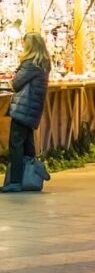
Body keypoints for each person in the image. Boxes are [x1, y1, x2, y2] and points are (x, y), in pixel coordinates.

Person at [2, 32, 50, 193]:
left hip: (23, 109)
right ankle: (30, 177)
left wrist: (9, 80)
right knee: (28, 145)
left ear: (30, 46)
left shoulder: (30, 64)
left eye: (24, 44)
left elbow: (16, 84)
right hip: (32, 109)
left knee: (16, 145)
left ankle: (15, 181)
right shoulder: (43, 63)